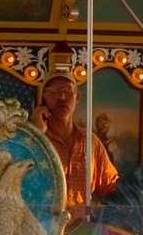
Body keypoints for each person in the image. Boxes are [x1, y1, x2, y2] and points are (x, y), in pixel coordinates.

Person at [31, 74, 119, 211]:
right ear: (44, 99)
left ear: (77, 97)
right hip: (43, 225)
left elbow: (111, 185)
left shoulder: (91, 141)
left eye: (66, 91)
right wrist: (35, 133)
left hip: (81, 227)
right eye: (53, 93)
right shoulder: (35, 139)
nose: (61, 98)